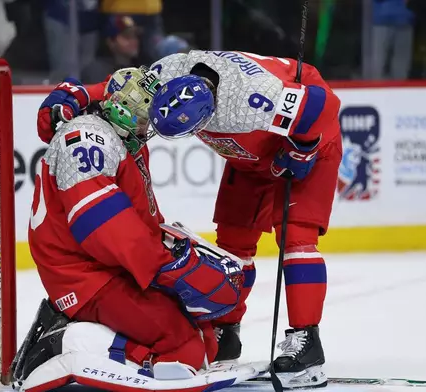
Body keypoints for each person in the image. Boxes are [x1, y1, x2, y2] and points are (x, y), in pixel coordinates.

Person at [19, 67, 244, 391]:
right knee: (183, 348)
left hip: (111, 265)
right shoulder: (86, 139)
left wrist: (174, 251)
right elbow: (99, 224)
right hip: (82, 275)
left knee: (205, 340)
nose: (148, 127)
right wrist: (163, 266)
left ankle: (88, 332)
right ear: (123, 109)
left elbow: (141, 217)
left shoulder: (125, 139)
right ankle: (66, 340)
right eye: (143, 118)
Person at [147, 50, 342, 388]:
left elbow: (323, 106)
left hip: (309, 138)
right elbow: (119, 88)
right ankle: (227, 331)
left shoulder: (252, 100)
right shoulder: (164, 71)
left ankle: (307, 343)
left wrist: (301, 150)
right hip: (250, 156)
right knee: (234, 242)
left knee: (296, 237)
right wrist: (79, 94)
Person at [81, 15, 141, 84]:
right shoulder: (95, 71)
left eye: (135, 36)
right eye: (127, 36)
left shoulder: (141, 68)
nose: (133, 41)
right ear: (111, 41)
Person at [370, 0, 415, 80]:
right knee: (378, 65)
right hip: (382, 20)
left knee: (401, 66)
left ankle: (399, 91)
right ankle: (376, 90)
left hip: (404, 19)